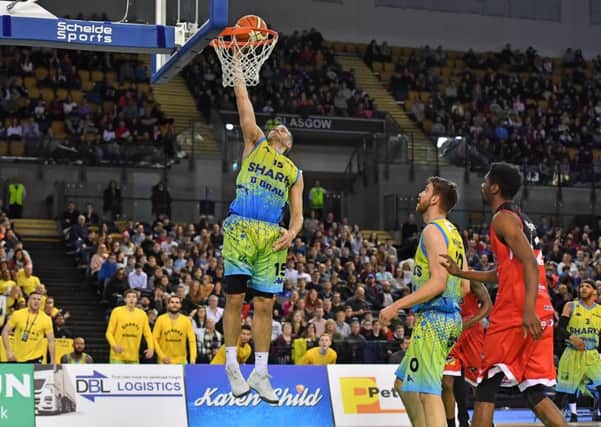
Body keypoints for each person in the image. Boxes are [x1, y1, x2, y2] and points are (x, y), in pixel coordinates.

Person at [440, 162, 566, 427]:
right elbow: (503, 273)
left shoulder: (503, 218)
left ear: (495, 187)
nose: (482, 185)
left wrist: (527, 309)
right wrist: (461, 273)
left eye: (485, 181)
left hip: (518, 312)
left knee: (485, 385)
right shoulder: (520, 219)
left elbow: (530, 263)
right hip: (539, 310)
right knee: (533, 393)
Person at [221, 64, 303, 404]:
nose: (280, 127)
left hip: (272, 237)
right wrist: (237, 66)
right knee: (235, 299)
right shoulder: (255, 141)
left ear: (288, 144)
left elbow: (297, 216)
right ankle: (230, 364)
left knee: (266, 304)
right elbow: (243, 99)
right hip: (241, 227)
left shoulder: (295, 172)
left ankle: (260, 370)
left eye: (285, 129)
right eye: (278, 126)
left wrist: (293, 234)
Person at [379, 176, 467, 427]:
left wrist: (397, 305)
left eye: (425, 190)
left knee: (428, 393)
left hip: (436, 319)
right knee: (403, 384)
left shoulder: (433, 230)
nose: (419, 194)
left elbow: (438, 282)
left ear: (435, 199)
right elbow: (465, 286)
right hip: (448, 317)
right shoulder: (455, 233)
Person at [442, 281, 492, 427]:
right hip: (450, 331)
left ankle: (485, 422)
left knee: (477, 384)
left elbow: (488, 305)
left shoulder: (471, 278)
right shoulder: (440, 277)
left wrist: (471, 321)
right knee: (446, 383)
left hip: (472, 332)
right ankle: (452, 424)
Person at [554, 279, 601, 422]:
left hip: (591, 353)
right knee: (564, 390)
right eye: (581, 286)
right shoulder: (571, 306)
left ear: (595, 291)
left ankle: (598, 413)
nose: (583, 288)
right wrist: (571, 338)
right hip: (572, 352)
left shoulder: (599, 310)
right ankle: (569, 416)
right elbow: (560, 330)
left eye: (587, 286)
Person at [2, 292, 55, 363]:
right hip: (16, 358)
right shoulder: (17, 314)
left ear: (41, 302)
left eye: (39, 299)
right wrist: (8, 351)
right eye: (34, 299)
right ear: (29, 301)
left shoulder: (46, 319)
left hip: (35, 358)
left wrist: (52, 361)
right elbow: (5, 331)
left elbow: (51, 341)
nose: (36, 301)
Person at [105, 289, 154, 363]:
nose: (131, 299)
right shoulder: (116, 312)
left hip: (134, 357)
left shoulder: (142, 314)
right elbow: (109, 333)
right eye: (129, 297)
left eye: (134, 297)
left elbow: (148, 334)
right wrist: (114, 345)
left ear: (137, 300)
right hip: (117, 356)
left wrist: (151, 348)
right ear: (125, 299)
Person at [153, 296, 197, 364]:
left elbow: (192, 341)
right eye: (172, 302)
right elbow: (154, 339)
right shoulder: (160, 319)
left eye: (177, 302)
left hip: (181, 361)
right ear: (168, 305)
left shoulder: (186, 320)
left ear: (180, 305)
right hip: (164, 361)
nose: (174, 304)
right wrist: (162, 356)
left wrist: (192, 359)